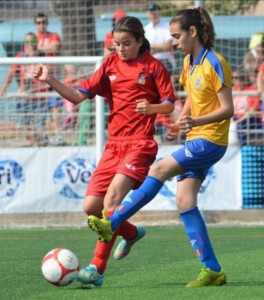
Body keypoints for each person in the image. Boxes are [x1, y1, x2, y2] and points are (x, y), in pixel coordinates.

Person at [87, 7, 234, 288]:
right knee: (185, 202)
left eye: (177, 36)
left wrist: (195, 120)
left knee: (160, 168)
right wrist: (180, 120)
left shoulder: (216, 62)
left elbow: (227, 109)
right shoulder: (190, 63)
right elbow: (191, 96)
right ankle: (213, 270)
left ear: (193, 32)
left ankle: (113, 220)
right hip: (195, 138)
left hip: (212, 140)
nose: (174, 42)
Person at [33, 16, 176, 286]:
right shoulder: (108, 65)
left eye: (126, 44)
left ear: (139, 42)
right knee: (91, 207)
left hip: (140, 143)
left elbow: (169, 104)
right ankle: (130, 233)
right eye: (116, 44)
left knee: (111, 202)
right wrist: (50, 79)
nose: (120, 48)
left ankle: (96, 269)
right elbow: (77, 96)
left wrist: (153, 108)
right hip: (114, 146)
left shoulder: (154, 67)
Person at [0, 32, 49, 146]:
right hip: (24, 98)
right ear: (24, 44)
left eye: (32, 41)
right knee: (21, 127)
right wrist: (3, 89)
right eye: (27, 42)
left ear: (36, 42)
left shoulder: (44, 57)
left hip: (39, 99)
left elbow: (51, 79)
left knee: (39, 128)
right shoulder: (20, 56)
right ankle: (36, 143)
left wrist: (36, 88)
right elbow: (10, 74)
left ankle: (39, 144)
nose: (30, 44)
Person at [34, 12, 63, 144]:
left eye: (44, 22)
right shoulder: (32, 37)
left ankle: (58, 133)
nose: (42, 25)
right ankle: (41, 136)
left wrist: (39, 48)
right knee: (40, 106)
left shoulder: (53, 35)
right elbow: (29, 51)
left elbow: (55, 46)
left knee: (55, 105)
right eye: (39, 22)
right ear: (35, 24)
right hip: (37, 76)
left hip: (52, 74)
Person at [231, 67, 262, 145]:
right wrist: (232, 120)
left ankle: (242, 148)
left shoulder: (251, 90)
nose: (234, 80)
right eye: (232, 78)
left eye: (236, 78)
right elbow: (230, 108)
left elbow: (252, 111)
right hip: (234, 117)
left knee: (239, 127)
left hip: (248, 118)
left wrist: (238, 121)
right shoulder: (233, 90)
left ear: (243, 78)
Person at [144, 3, 176, 75]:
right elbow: (145, 50)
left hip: (165, 61)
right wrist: (161, 47)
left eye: (155, 11)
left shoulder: (167, 25)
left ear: (159, 12)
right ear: (147, 13)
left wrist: (151, 46)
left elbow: (167, 47)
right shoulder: (145, 29)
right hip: (149, 62)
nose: (153, 13)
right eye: (151, 11)